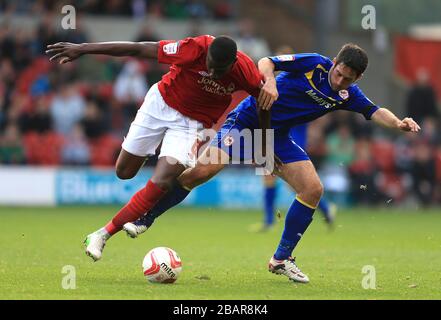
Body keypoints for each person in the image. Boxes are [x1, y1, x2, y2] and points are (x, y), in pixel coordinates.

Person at [126, 43, 421, 284]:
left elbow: (373, 110)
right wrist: (269, 83)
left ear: (357, 79)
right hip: (246, 122)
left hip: (275, 138)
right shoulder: (314, 63)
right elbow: (266, 61)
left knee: (312, 190)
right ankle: (145, 217)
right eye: (339, 73)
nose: (340, 81)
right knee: (202, 172)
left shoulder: (347, 94)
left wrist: (399, 123)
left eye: (348, 79)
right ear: (334, 62)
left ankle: (281, 259)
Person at [46, 35, 277, 261]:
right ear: (207, 56)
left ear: (233, 63)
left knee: (163, 180)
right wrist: (84, 49)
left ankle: (102, 234)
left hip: (191, 124)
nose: (214, 74)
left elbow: (264, 103)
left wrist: (264, 143)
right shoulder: (194, 48)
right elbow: (139, 49)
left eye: (220, 71)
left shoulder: (246, 72)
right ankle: (152, 152)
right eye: (211, 67)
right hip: (160, 103)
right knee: (124, 172)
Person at [255, 123, 337, 233]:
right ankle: (269, 221)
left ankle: (326, 209)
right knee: (268, 177)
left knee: (297, 186)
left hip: (291, 141)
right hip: (271, 139)